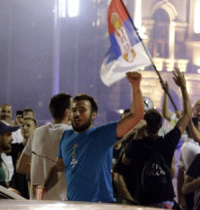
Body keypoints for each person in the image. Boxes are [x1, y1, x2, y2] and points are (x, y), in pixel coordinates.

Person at [45, 72, 145, 202]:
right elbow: (58, 167)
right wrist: (43, 189)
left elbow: (136, 115)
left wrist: (135, 86)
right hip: (74, 207)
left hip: (100, 209)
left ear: (93, 115)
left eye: (82, 110)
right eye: (74, 110)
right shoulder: (66, 136)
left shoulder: (103, 134)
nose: (76, 114)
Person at [122, 68, 194, 207]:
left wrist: (137, 134)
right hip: (165, 199)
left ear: (144, 124)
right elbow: (186, 115)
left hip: (143, 200)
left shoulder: (137, 145)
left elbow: (125, 161)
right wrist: (183, 87)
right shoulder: (169, 141)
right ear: (161, 125)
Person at [16, 93, 71, 200]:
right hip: (61, 203)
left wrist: (41, 170)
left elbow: (21, 167)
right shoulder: (71, 134)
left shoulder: (37, 132)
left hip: (37, 201)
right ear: (67, 111)